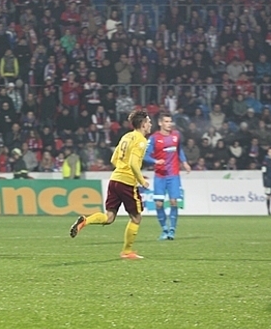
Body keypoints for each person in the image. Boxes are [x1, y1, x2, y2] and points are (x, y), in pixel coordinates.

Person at [68, 110, 152, 260]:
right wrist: (141, 181)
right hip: (127, 182)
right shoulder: (141, 141)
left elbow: (114, 159)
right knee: (136, 218)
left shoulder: (126, 136)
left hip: (114, 180)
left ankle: (85, 221)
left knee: (109, 217)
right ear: (143, 124)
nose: (151, 124)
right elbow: (133, 163)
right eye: (149, 121)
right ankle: (127, 252)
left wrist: (122, 169)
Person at [143, 112, 191, 240]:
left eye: (170, 121)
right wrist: (155, 161)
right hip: (160, 175)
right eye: (166, 121)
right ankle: (164, 229)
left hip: (173, 174)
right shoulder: (154, 138)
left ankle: (172, 230)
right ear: (160, 123)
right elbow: (145, 155)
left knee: (173, 202)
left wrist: (184, 162)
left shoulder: (176, 135)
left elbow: (179, 150)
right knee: (159, 204)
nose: (169, 124)